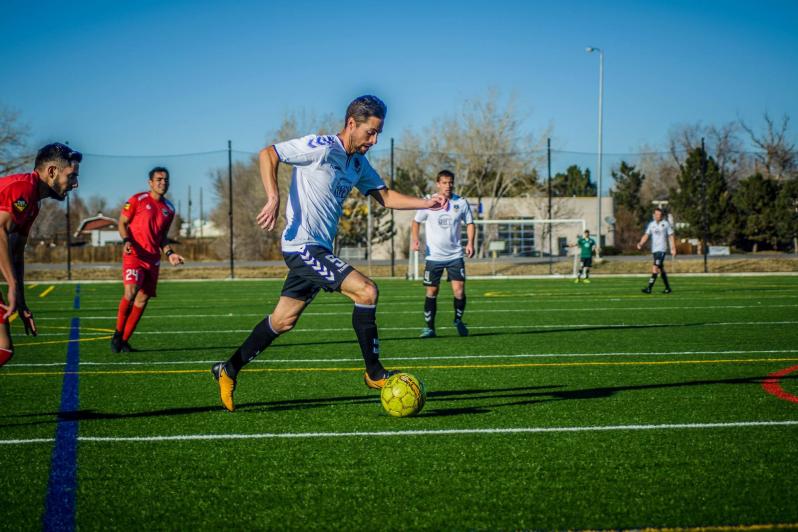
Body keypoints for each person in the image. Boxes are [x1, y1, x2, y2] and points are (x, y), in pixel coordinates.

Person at [211, 95, 447, 412]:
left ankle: (229, 369)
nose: (374, 140)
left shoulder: (358, 164)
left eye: (378, 133)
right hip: (301, 246)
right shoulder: (321, 147)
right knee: (366, 291)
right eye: (371, 132)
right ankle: (375, 373)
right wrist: (273, 197)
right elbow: (269, 153)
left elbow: (386, 196)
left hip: (318, 249)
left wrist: (427, 203)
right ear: (352, 124)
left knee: (282, 321)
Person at [0, 143, 81, 367]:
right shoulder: (23, 189)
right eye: (72, 176)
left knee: (3, 348)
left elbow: (16, 253)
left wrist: (22, 302)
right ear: (52, 171)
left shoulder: (32, 203)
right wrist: (12, 286)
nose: (75, 184)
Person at [112, 167, 184, 352]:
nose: (163, 183)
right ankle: (118, 334)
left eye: (166, 180)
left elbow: (162, 237)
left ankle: (124, 341)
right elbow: (122, 223)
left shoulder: (169, 208)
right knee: (131, 291)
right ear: (150, 183)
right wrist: (126, 240)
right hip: (134, 255)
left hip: (153, 259)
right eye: (159, 179)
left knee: (142, 298)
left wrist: (170, 253)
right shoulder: (137, 200)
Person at [411, 170, 475, 338]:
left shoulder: (461, 203)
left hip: (455, 255)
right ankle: (430, 328)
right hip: (434, 257)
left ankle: (458, 320)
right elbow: (416, 221)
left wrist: (470, 242)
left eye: (450, 182)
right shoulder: (429, 202)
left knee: (459, 291)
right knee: (432, 292)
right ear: (438, 184)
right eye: (444, 183)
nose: (448, 186)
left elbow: (470, 223)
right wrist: (415, 239)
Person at [637, 207, 676, 294]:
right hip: (654, 250)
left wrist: (673, 248)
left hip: (662, 250)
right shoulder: (651, 225)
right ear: (654, 215)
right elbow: (646, 235)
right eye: (657, 214)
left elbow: (671, 236)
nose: (658, 216)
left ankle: (649, 288)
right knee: (661, 269)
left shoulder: (666, 224)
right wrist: (640, 243)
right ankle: (668, 288)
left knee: (655, 268)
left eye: (660, 214)